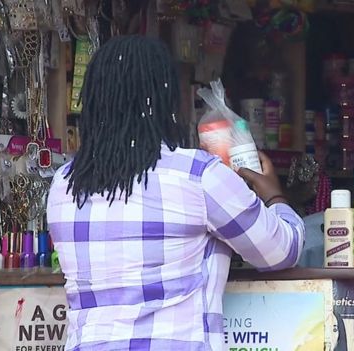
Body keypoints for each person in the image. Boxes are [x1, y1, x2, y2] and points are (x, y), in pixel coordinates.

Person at [46, 36, 305, 351]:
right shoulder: (196, 174)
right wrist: (275, 197)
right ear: (165, 99)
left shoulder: (63, 184)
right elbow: (279, 251)